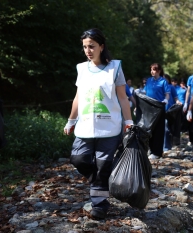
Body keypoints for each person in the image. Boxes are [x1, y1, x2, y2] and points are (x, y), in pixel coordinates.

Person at [63, 28, 133, 219]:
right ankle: (100, 182)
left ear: (101, 47)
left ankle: (99, 205)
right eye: (85, 47)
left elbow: (123, 98)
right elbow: (77, 98)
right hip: (84, 126)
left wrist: (128, 122)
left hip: (109, 127)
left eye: (92, 46)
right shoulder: (81, 68)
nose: (88, 50)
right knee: (78, 159)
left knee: (103, 165)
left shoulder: (115, 68)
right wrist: (71, 121)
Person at [143, 63, 170, 160]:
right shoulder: (149, 80)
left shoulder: (163, 81)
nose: (151, 72)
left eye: (153, 70)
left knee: (158, 130)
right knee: (149, 129)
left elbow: (167, 94)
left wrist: (166, 100)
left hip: (159, 108)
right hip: (149, 107)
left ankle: (157, 151)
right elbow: (145, 92)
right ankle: (150, 149)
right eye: (151, 70)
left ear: (158, 71)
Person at [163, 74, 181, 152]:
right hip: (160, 111)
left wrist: (178, 102)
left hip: (170, 112)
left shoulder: (171, 87)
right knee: (164, 128)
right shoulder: (159, 87)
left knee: (168, 129)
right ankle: (164, 146)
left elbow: (176, 98)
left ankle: (167, 146)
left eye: (165, 79)